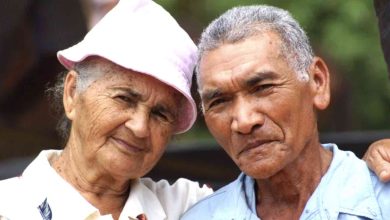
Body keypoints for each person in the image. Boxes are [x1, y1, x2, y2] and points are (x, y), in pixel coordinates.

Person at [0, 0, 213, 219]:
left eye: (160, 113)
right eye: (124, 98)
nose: (140, 127)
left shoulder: (189, 206)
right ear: (72, 93)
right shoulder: (9, 207)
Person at [181, 5, 390, 219]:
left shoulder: (381, 198)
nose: (244, 121)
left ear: (317, 82)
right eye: (219, 101)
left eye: (262, 88)